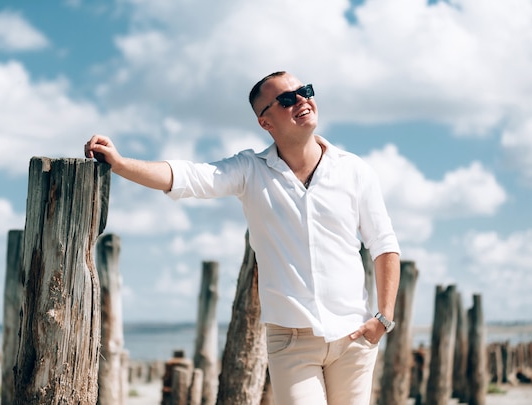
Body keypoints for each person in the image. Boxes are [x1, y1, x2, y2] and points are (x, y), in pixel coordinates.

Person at [85, 71, 401, 405]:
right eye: (287, 99)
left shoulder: (354, 170)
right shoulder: (251, 170)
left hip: (353, 337)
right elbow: (190, 177)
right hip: (291, 342)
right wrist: (119, 164)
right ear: (266, 122)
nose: (301, 101)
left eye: (304, 91)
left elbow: (384, 244)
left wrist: (383, 318)